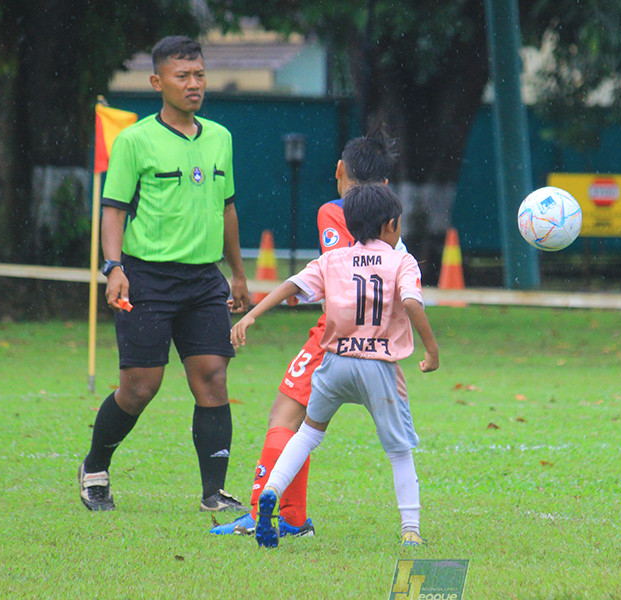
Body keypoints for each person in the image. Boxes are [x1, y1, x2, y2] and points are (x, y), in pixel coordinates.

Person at [78, 35, 251, 513]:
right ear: (158, 82)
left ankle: (213, 493)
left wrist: (237, 274)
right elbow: (112, 212)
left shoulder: (221, 138)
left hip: (203, 280)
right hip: (147, 277)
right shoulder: (135, 140)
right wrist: (114, 268)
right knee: (140, 386)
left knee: (212, 377)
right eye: (183, 76)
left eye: (199, 75)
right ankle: (94, 468)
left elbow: (228, 209)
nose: (194, 84)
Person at [210, 129, 399, 538]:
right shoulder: (391, 225)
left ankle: (271, 511)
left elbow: (340, 267)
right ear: (386, 185)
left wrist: (305, 293)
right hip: (380, 342)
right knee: (390, 443)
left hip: (333, 337)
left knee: (284, 417)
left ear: (339, 171)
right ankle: (295, 518)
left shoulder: (333, 209)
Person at [231, 183, 439, 549]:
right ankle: (410, 528)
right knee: (399, 450)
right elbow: (411, 302)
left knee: (308, 434)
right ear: (391, 225)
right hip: (378, 368)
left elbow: (291, 286)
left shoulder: (333, 259)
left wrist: (251, 316)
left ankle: (271, 492)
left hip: (334, 363)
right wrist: (431, 350)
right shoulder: (401, 261)